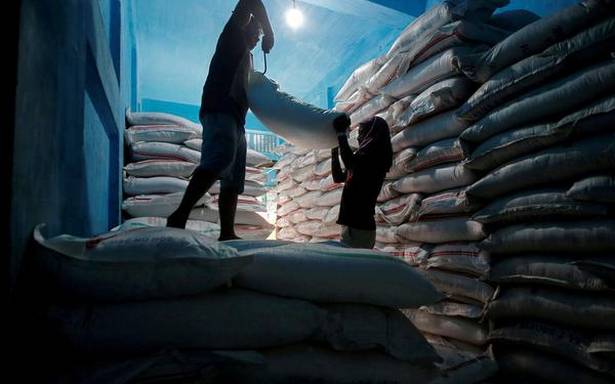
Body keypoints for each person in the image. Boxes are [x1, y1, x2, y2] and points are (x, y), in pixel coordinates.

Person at [167, 0, 274, 240]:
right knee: (220, 159)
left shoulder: (249, 57)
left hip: (237, 118)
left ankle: (227, 232)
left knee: (234, 179)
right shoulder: (232, 36)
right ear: (246, 24)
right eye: (256, 32)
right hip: (219, 108)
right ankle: (179, 215)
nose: (257, 39)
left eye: (259, 35)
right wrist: (270, 31)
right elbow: (251, 1)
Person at [331, 114, 393, 248]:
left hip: (360, 229)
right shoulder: (359, 158)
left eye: (361, 132)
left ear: (371, 133)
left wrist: (341, 134)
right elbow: (338, 177)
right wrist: (334, 151)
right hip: (352, 227)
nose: (358, 137)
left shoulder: (376, 160)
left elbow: (349, 163)